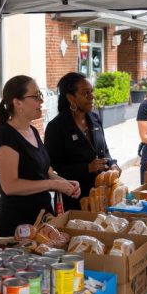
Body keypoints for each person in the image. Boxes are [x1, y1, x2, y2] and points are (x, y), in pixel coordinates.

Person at [0, 75, 80, 236]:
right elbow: (10, 185)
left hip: (41, 221)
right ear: (17, 103)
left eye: (41, 96)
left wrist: (65, 183)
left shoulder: (32, 131)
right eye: (36, 96)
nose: (41, 101)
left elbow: (45, 172)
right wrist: (52, 185)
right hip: (16, 225)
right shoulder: (6, 136)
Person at [45, 72, 120, 211]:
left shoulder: (95, 119)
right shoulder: (56, 127)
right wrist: (87, 168)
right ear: (71, 98)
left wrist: (113, 165)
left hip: (101, 196)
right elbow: (53, 169)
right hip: (73, 200)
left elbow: (105, 152)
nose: (92, 97)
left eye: (92, 92)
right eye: (85, 93)